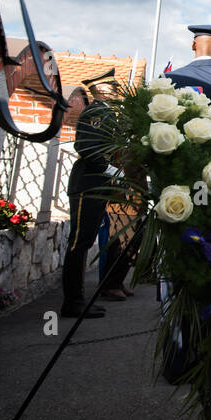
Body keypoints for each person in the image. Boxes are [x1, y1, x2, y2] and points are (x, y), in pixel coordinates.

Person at [60, 79, 133, 315]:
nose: (116, 91)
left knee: (83, 241)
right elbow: (87, 146)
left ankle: (76, 299)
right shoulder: (98, 111)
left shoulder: (104, 111)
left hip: (95, 184)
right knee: (79, 242)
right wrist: (109, 169)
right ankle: (73, 301)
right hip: (88, 183)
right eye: (112, 86)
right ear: (100, 89)